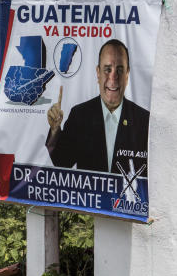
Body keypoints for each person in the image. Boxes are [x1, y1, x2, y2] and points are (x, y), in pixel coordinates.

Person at [45, 39, 150, 176]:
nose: (113, 78)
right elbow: (62, 161)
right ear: (98, 73)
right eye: (107, 69)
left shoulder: (145, 121)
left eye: (119, 69)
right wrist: (55, 131)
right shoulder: (79, 115)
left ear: (127, 74)